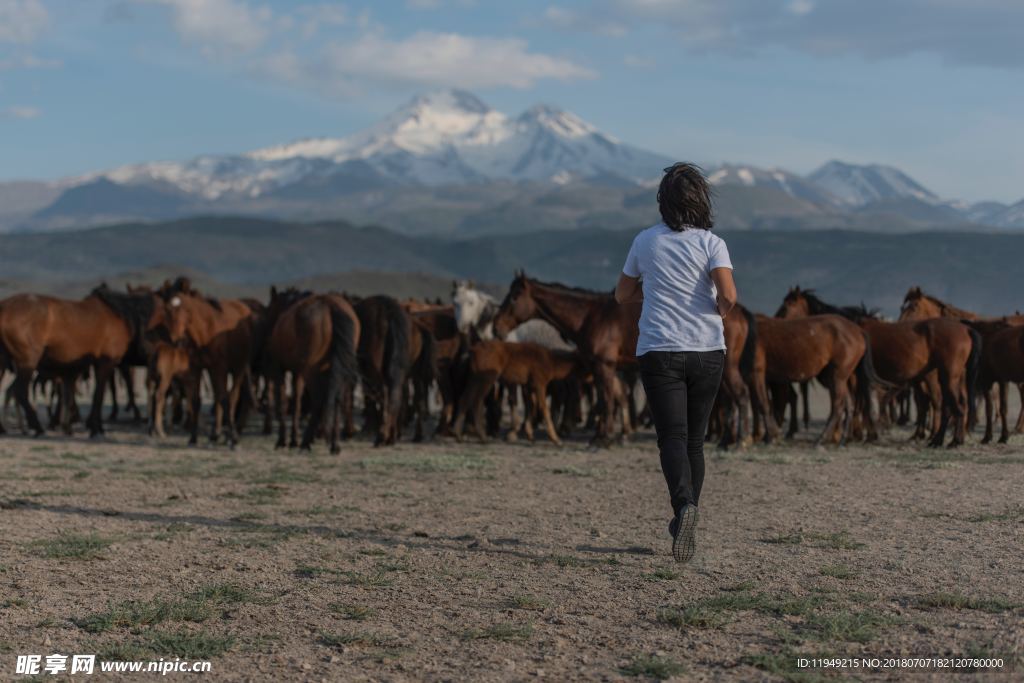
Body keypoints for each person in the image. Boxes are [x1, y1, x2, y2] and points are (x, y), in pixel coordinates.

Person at [614, 163, 737, 563]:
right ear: (700, 200)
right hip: (707, 351)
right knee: (695, 442)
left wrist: (652, 295)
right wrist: (717, 308)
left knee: (671, 438)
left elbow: (622, 294)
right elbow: (729, 296)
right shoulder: (711, 243)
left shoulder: (645, 241)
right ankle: (689, 513)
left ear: (663, 202)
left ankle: (683, 507)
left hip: (660, 350)